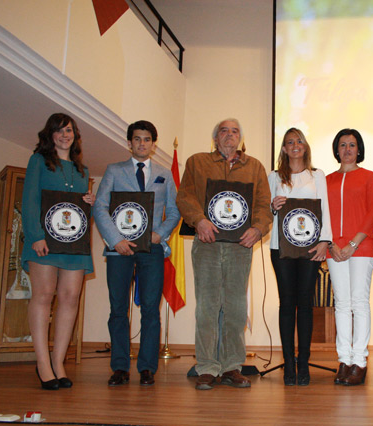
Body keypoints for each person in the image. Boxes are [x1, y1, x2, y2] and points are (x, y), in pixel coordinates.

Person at [177, 118, 272, 390]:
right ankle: (207, 367)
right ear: (215, 138)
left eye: (235, 131)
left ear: (241, 138)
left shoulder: (254, 167)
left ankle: (231, 366)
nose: (229, 135)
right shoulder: (197, 162)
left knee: (235, 308)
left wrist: (257, 228)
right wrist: (200, 220)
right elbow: (185, 197)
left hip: (240, 247)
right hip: (207, 244)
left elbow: (264, 206)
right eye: (224, 131)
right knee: (207, 307)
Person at [93, 120, 180, 387]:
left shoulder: (165, 174)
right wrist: (116, 239)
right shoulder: (113, 170)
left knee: (151, 309)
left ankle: (147, 368)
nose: (142, 144)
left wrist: (160, 233)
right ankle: (119, 366)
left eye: (147, 139)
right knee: (118, 308)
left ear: (154, 144)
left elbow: (175, 212)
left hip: (152, 249)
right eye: (137, 139)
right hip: (119, 250)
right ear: (129, 142)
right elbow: (100, 207)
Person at [22, 113, 95, 390]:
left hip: (73, 244)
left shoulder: (82, 170)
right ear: (50, 135)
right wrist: (35, 236)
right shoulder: (38, 161)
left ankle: (59, 362)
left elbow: (77, 212)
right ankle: (42, 364)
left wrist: (89, 202)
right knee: (43, 296)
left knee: (70, 297)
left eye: (69, 130)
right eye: (59, 130)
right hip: (44, 242)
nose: (65, 135)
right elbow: (29, 199)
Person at [269, 128, 333, 386]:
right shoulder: (274, 176)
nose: (295, 146)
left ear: (305, 147)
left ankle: (303, 364)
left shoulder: (318, 175)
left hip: (310, 248)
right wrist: (272, 206)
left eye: (299, 141)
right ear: (284, 149)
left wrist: (325, 242)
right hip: (280, 247)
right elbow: (266, 210)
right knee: (286, 303)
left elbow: (325, 208)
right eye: (289, 142)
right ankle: (288, 366)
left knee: (305, 305)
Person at [326, 129, 373, 386]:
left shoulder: (369, 177)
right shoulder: (326, 180)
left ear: (359, 150)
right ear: (337, 149)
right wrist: (331, 245)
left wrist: (352, 243)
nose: (348, 149)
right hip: (334, 250)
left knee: (359, 302)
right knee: (341, 304)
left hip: (362, 248)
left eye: (352, 145)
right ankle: (344, 359)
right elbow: (322, 217)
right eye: (343, 145)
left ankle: (360, 360)